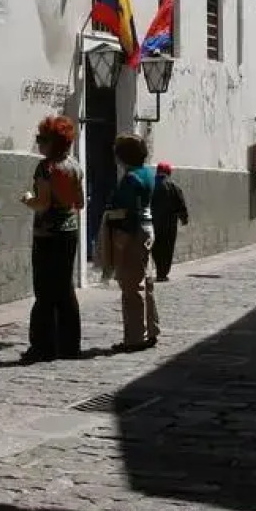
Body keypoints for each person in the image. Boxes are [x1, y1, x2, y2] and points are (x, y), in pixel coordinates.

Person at [19, 115, 84, 362]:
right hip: (69, 232)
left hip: (47, 234)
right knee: (65, 288)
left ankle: (43, 346)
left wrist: (27, 199)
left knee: (44, 290)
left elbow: (43, 203)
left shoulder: (45, 168)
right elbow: (79, 202)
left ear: (52, 142)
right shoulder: (75, 166)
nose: (38, 143)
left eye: (41, 139)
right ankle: (70, 345)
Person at [103, 133, 160, 351]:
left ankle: (135, 337)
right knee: (146, 281)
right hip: (147, 227)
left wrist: (121, 239)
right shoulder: (147, 174)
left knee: (130, 285)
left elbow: (129, 212)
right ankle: (151, 329)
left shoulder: (130, 178)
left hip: (133, 230)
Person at [149, 161, 189, 281]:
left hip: (153, 222)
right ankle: (163, 272)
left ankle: (159, 268)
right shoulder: (174, 186)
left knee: (155, 246)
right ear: (168, 172)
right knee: (167, 247)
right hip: (169, 224)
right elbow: (181, 204)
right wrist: (184, 218)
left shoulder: (150, 185)